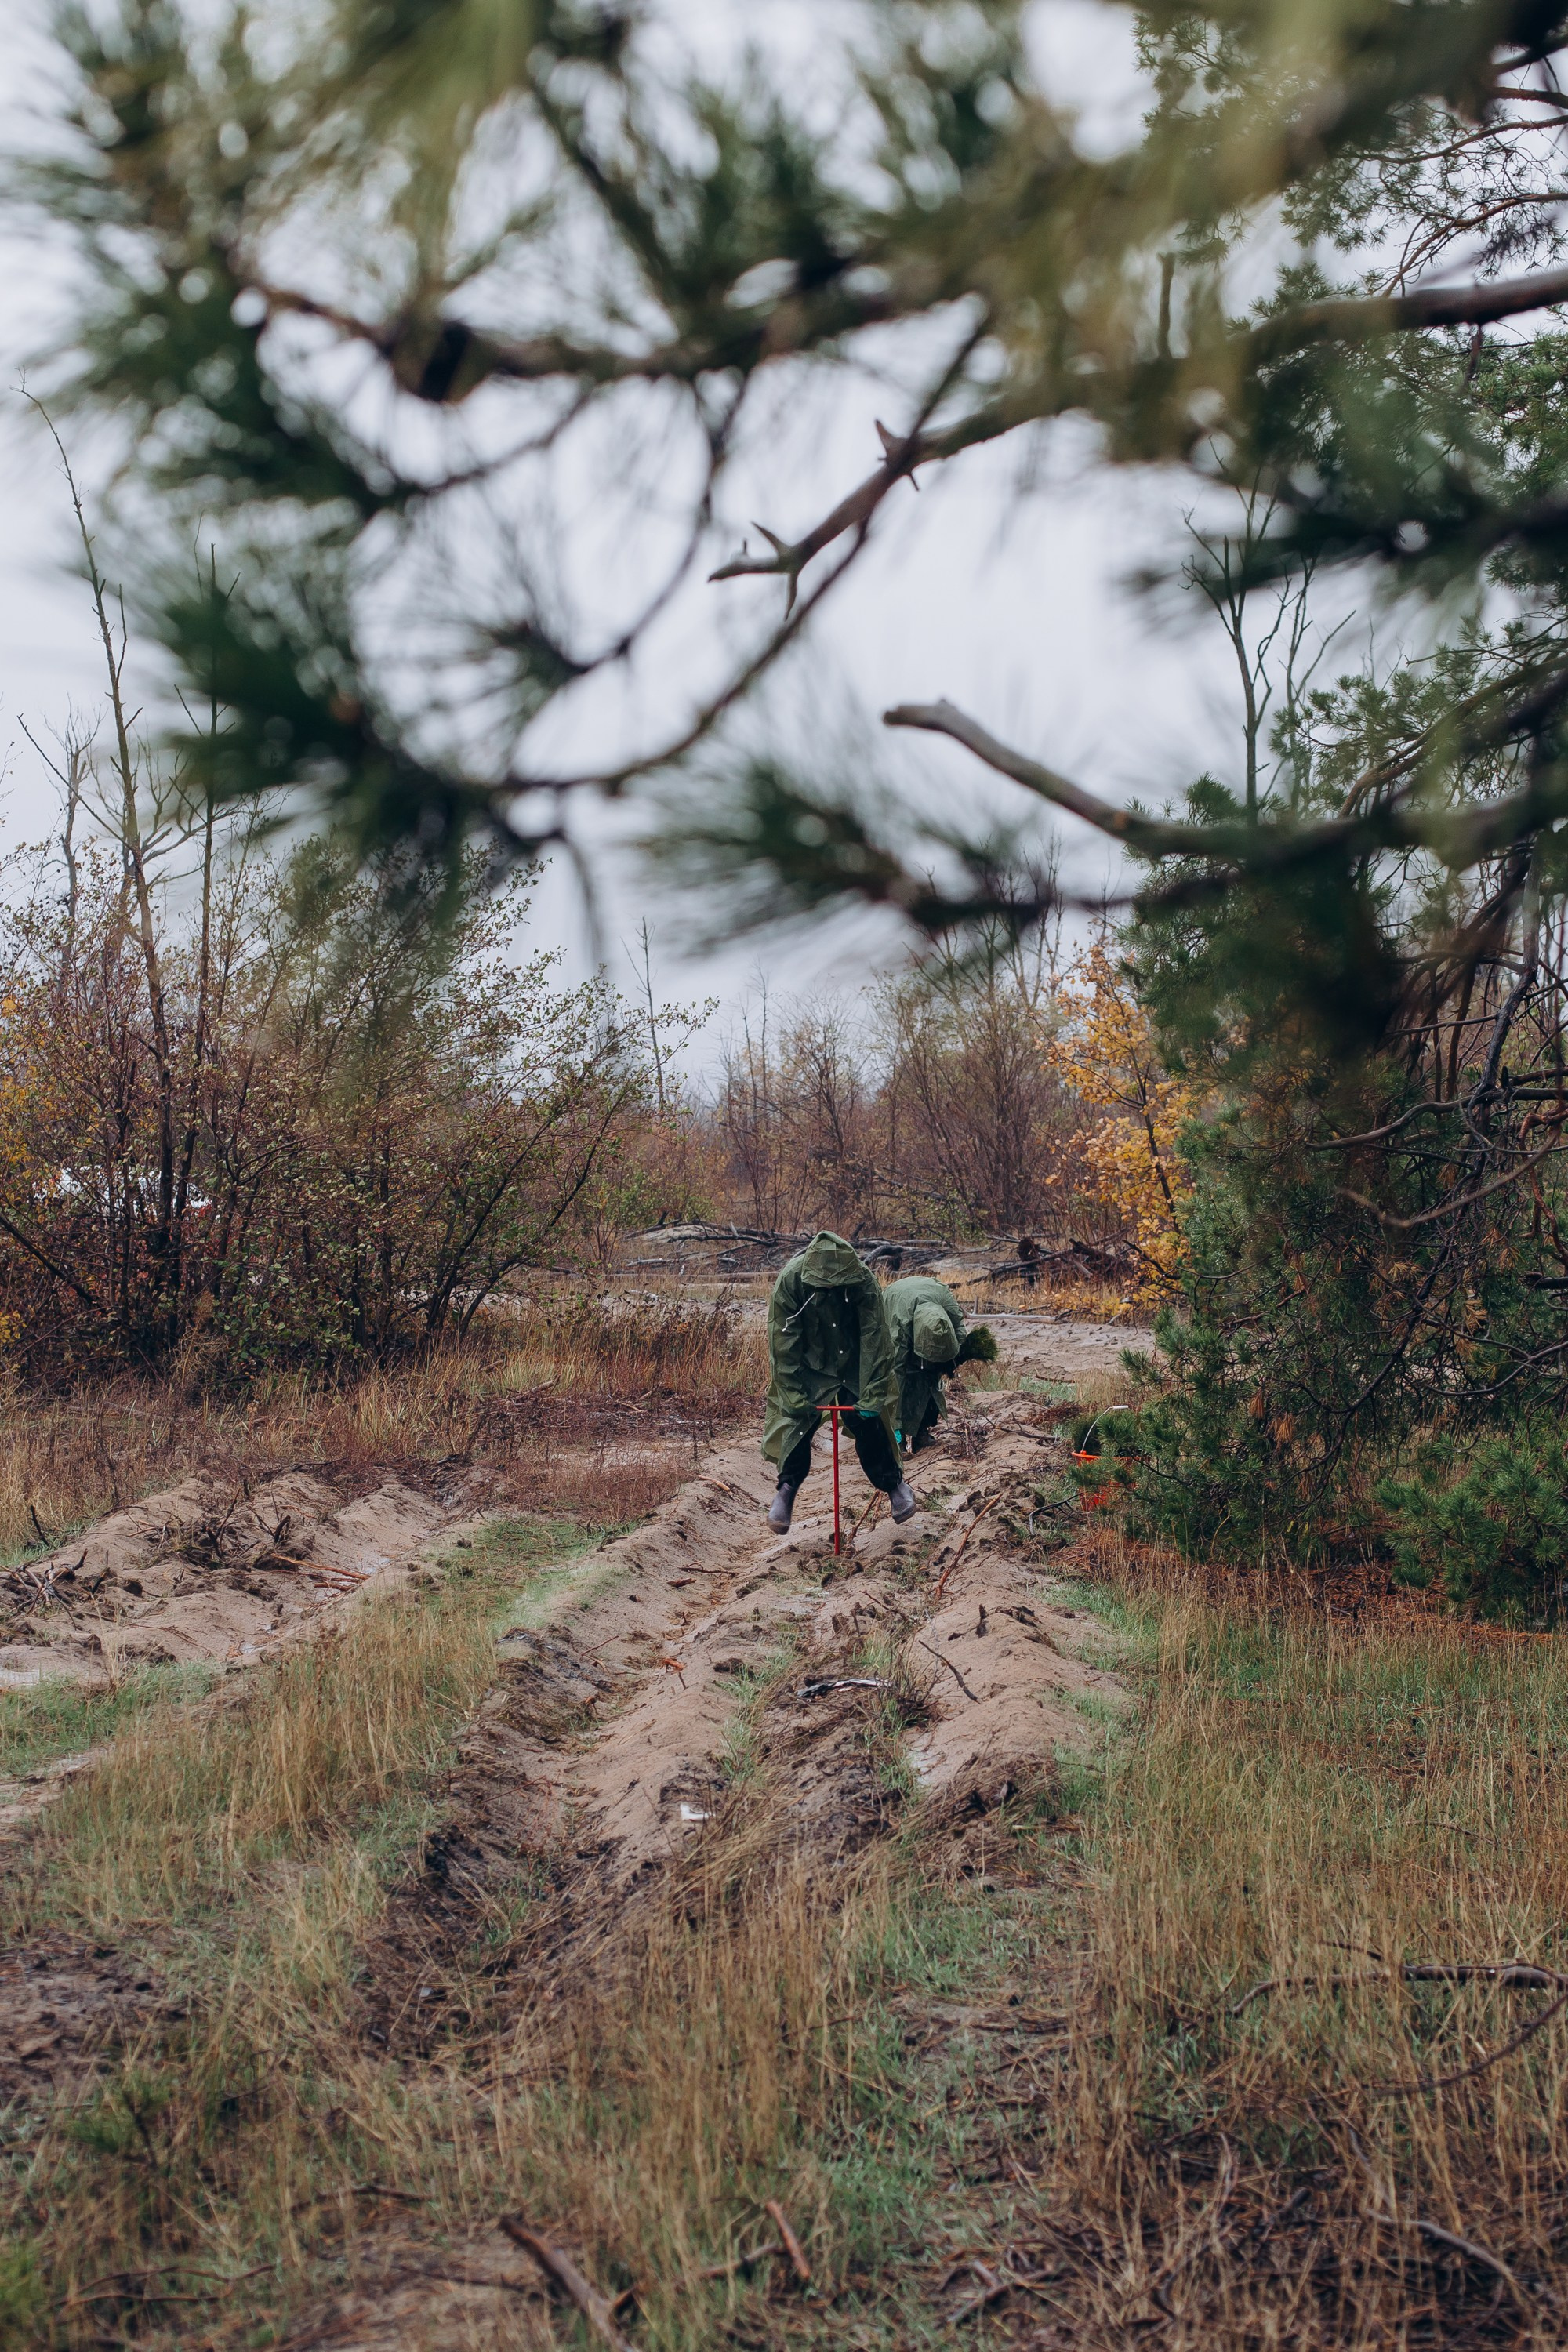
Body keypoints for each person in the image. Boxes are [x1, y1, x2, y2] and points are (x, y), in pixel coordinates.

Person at [762, 1231, 916, 1534]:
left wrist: (871, 1396)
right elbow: (783, 1344)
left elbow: (877, 1341)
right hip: (809, 1362)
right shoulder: (791, 1281)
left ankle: (894, 1485)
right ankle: (787, 1489)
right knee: (795, 1422)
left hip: (853, 1361)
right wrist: (793, 1395)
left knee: (866, 1421)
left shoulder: (864, 1281)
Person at [884, 1274, 998, 1454]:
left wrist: (954, 1357)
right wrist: (895, 1427)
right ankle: (896, 1440)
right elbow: (895, 1376)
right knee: (906, 1380)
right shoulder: (899, 1329)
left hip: (927, 1298)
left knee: (930, 1380)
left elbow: (959, 1329)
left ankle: (921, 1432)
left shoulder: (947, 1303)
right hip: (895, 1303)